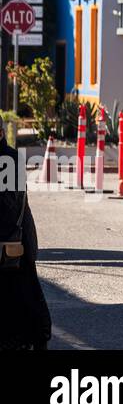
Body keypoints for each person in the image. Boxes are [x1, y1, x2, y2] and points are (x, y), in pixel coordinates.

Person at [0, 132, 51, 350]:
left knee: (19, 293)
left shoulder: (8, 159)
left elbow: (10, 204)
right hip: (12, 238)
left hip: (10, 239)